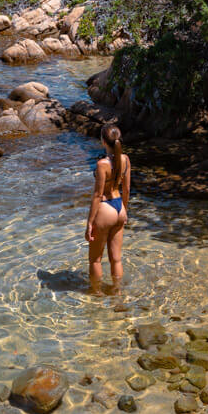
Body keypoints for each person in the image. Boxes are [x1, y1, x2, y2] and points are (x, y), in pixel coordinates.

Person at [85, 124, 130, 294]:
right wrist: (124, 211)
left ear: (103, 141)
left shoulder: (102, 164)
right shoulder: (125, 159)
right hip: (119, 207)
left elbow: (97, 195)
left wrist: (89, 223)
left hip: (104, 209)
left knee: (95, 260)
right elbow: (126, 189)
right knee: (116, 260)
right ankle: (116, 293)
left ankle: (96, 294)